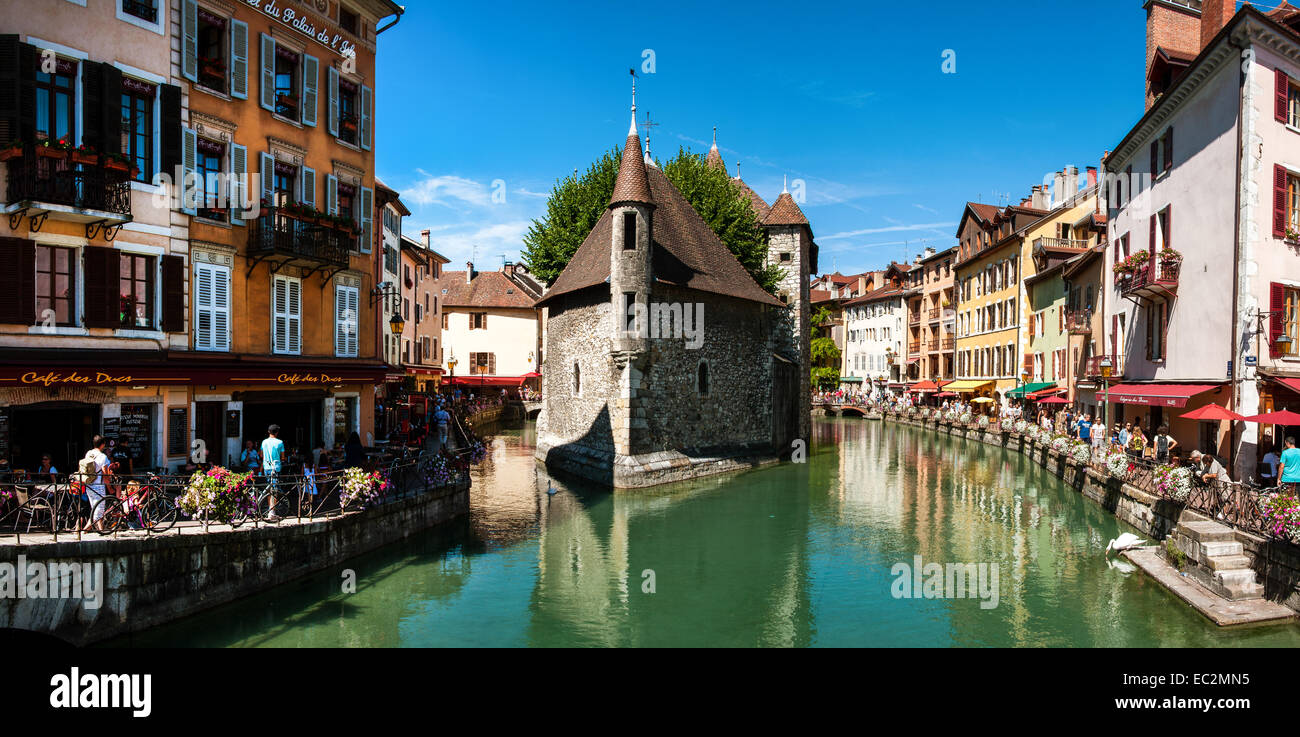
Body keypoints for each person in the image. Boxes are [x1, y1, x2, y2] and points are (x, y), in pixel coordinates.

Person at [79, 435, 112, 532]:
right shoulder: (103, 457)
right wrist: (110, 487)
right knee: (99, 510)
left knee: (95, 508)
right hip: (98, 485)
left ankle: (100, 529)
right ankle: (84, 530)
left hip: (89, 484)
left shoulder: (89, 453)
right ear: (103, 444)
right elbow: (105, 475)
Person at [261, 424, 286, 521]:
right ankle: (272, 512)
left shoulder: (264, 442)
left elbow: (261, 454)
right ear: (277, 432)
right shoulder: (280, 442)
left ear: (268, 432)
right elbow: (283, 457)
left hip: (266, 467)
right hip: (275, 468)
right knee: (274, 490)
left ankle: (270, 509)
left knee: (269, 488)